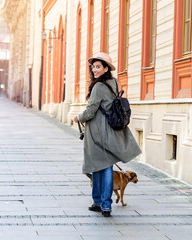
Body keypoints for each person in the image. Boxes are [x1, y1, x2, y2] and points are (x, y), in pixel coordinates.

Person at [74, 52, 141, 217]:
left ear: (106, 68)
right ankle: (103, 204)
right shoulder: (114, 82)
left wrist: (78, 117)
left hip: (97, 133)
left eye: (98, 67)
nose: (95, 70)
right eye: (93, 66)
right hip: (111, 131)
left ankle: (101, 203)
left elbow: (90, 111)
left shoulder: (98, 87)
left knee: (98, 167)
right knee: (105, 166)